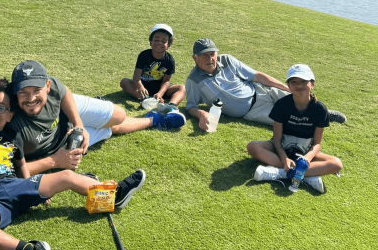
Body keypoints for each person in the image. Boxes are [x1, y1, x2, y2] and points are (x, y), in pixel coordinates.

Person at [0, 78, 146, 250]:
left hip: (14, 186)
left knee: (66, 176)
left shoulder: (13, 135)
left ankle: (112, 197)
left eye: (1, 108)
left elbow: (21, 165)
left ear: (10, 114)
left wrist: (31, 190)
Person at [9, 60, 184, 175]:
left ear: (47, 86)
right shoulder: (10, 122)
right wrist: (55, 161)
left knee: (119, 115)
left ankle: (93, 112)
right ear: (14, 92)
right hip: (60, 144)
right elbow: (12, 170)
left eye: (36, 90)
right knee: (108, 128)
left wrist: (79, 124)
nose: (30, 98)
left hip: (65, 112)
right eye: (23, 92)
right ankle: (155, 119)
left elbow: (63, 92)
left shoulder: (52, 86)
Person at [185, 38, 346, 131]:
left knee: (299, 98)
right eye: (204, 55)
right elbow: (190, 105)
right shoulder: (194, 80)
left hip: (261, 91)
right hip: (251, 111)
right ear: (194, 58)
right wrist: (201, 114)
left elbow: (257, 76)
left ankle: (325, 113)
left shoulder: (227, 60)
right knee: (289, 121)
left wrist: (285, 88)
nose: (210, 59)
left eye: (212, 54)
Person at [247, 64, 343, 193]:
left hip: (305, 149)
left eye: (304, 81)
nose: (299, 85)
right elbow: (277, 139)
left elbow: (317, 143)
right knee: (253, 146)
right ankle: (305, 175)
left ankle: (280, 172)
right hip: (282, 146)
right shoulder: (281, 104)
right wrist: (284, 158)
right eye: (294, 82)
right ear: (289, 86)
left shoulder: (320, 109)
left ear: (312, 84)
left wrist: (307, 158)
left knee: (336, 164)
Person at [120, 24, 186, 113]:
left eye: (164, 41)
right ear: (150, 42)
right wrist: (140, 87)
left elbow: (166, 81)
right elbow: (136, 77)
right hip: (143, 86)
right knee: (124, 82)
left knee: (182, 88)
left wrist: (160, 93)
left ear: (168, 45)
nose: (159, 43)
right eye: (156, 40)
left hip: (159, 87)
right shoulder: (143, 55)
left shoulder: (170, 60)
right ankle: (145, 99)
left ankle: (171, 106)